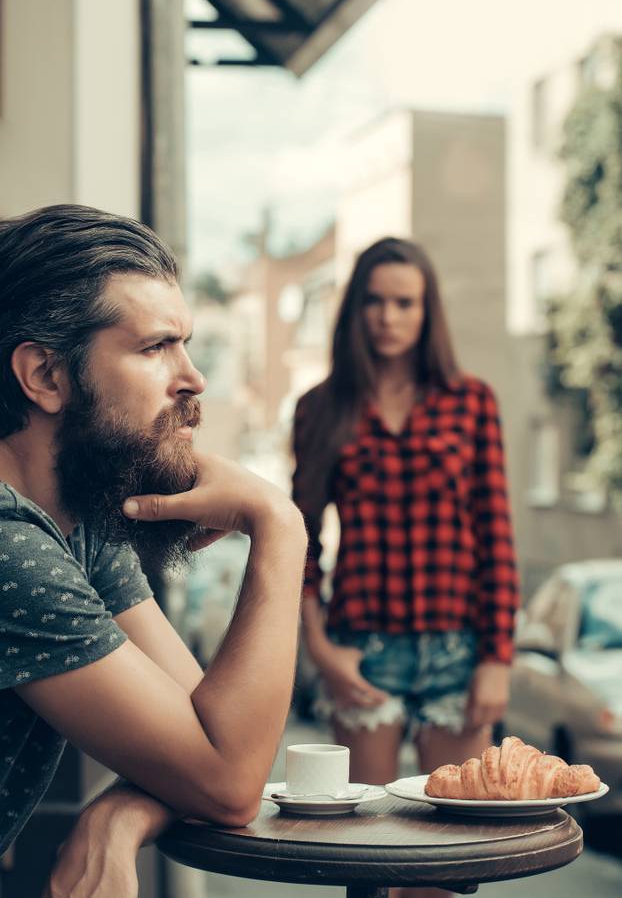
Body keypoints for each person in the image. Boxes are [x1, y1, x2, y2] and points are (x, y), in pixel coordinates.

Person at [0, 205, 307, 897]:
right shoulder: (10, 550)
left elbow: (210, 741)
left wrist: (119, 812)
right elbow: (228, 780)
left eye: (187, 344)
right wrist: (280, 528)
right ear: (45, 375)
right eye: (154, 346)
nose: (193, 378)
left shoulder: (78, 524)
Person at [292, 237, 519, 898]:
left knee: (444, 865)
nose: (388, 316)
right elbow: (300, 540)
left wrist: (496, 656)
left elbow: (496, 535)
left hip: (459, 649)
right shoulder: (320, 407)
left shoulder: (471, 401)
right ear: (355, 309)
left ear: (427, 312)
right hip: (362, 652)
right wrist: (319, 646)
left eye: (404, 303)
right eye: (375, 301)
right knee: (369, 857)